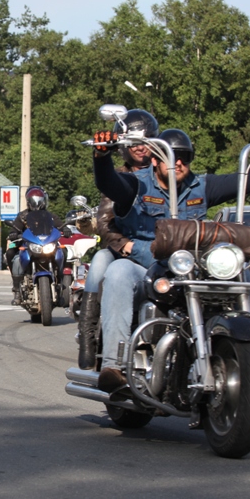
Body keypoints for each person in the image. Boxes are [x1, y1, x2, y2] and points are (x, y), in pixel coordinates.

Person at [90, 126, 250, 391]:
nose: (178, 162)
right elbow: (108, 183)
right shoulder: (136, 184)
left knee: (244, 276)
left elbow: (244, 180)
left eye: (185, 157)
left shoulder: (200, 185)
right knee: (118, 273)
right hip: (144, 262)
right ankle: (115, 365)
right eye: (172, 156)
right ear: (155, 159)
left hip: (190, 264)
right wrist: (101, 156)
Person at [80, 109, 160, 364]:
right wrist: (124, 245)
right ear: (122, 145)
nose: (139, 148)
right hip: (123, 250)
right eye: (133, 143)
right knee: (100, 262)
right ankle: (88, 338)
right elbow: (104, 222)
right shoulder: (119, 177)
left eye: (145, 141)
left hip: (161, 250)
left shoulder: (167, 173)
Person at [6, 186, 72, 305]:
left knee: (63, 251)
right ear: (28, 201)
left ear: (44, 200)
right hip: (28, 244)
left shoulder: (49, 216)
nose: (37, 203)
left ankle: (61, 281)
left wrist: (66, 229)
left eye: (39, 200)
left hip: (46, 244)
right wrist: (13, 233)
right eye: (34, 200)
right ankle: (17, 288)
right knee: (11, 254)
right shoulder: (22, 216)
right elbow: (14, 228)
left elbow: (60, 225)